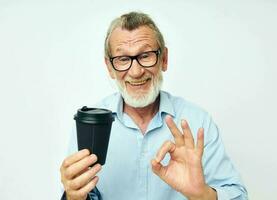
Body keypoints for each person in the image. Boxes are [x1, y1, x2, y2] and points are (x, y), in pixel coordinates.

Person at [60, 11, 248, 200]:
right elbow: (81, 194)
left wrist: (203, 195)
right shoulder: (89, 124)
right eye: (123, 59)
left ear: (164, 58)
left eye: (146, 55)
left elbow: (238, 196)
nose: (136, 71)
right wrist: (73, 196)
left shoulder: (198, 121)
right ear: (109, 67)